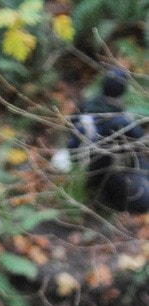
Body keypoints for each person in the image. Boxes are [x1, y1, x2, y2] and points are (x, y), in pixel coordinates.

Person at [52, 66, 148, 213]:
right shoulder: (121, 121)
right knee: (140, 166)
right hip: (100, 171)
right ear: (124, 90)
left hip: (78, 162)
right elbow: (141, 142)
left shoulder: (86, 105)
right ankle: (107, 201)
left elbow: (70, 127)